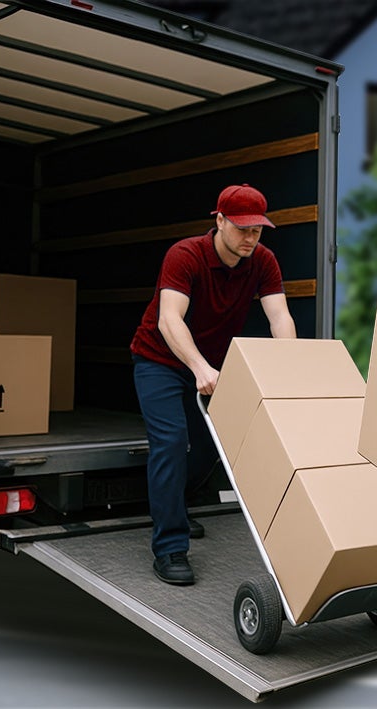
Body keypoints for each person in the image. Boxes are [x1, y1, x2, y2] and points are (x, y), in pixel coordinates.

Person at [131, 184, 296, 586]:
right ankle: (170, 546)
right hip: (160, 359)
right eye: (242, 229)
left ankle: (175, 504)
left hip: (212, 366)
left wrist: (290, 368)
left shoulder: (263, 261)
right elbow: (170, 319)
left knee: (215, 444)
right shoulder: (185, 255)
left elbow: (280, 317)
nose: (250, 238)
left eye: (257, 230)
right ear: (219, 220)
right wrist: (200, 367)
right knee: (171, 441)